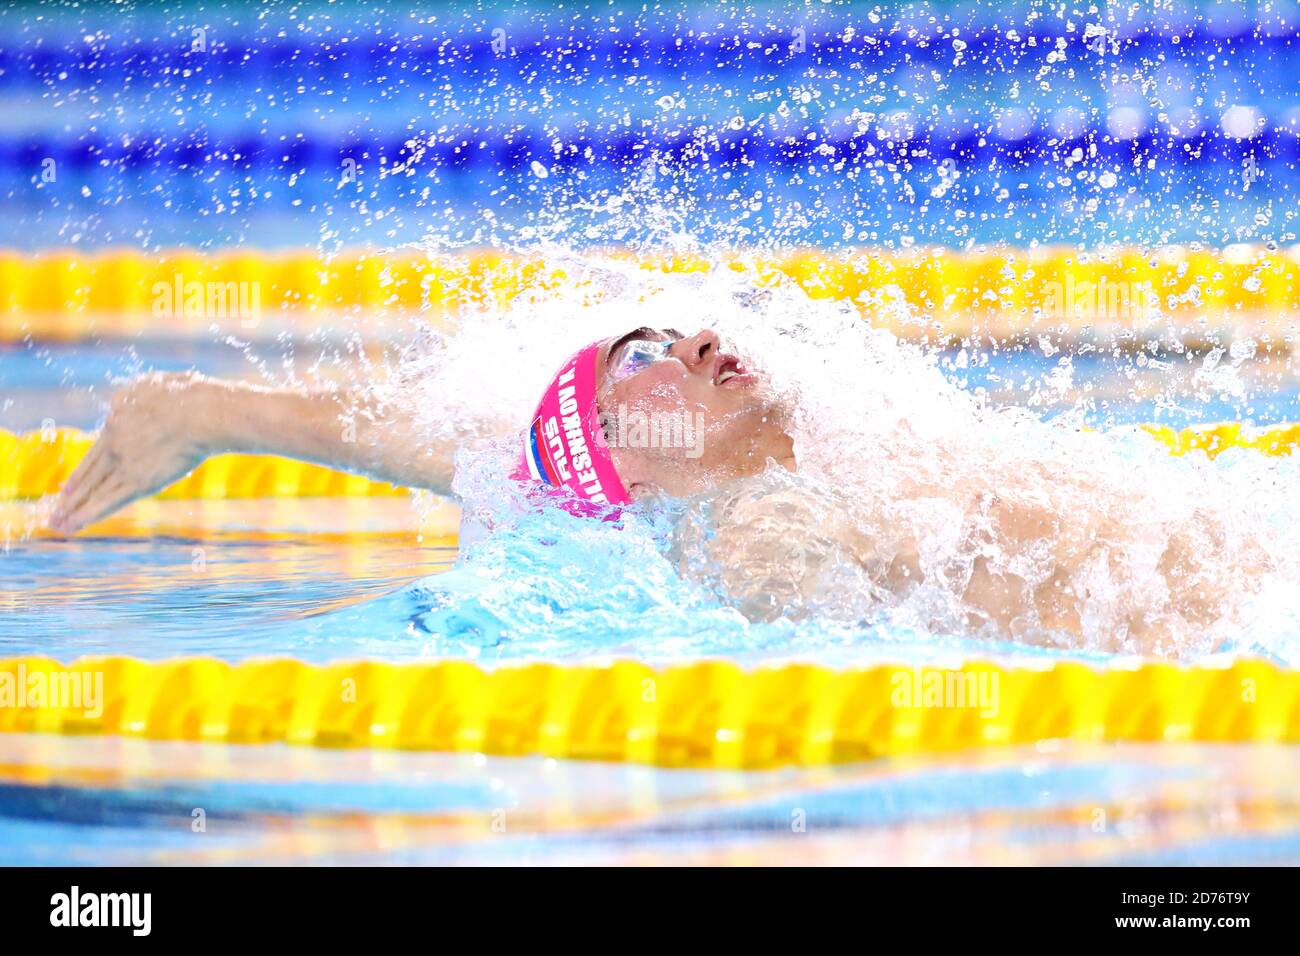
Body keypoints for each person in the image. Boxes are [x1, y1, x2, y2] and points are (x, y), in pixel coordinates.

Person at [47, 326, 1259, 653]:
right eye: (652, 362)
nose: (693, 344)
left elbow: (480, 447)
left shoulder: (824, 442)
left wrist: (210, 410)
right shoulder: (762, 531)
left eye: (671, 331)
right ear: (630, 457)